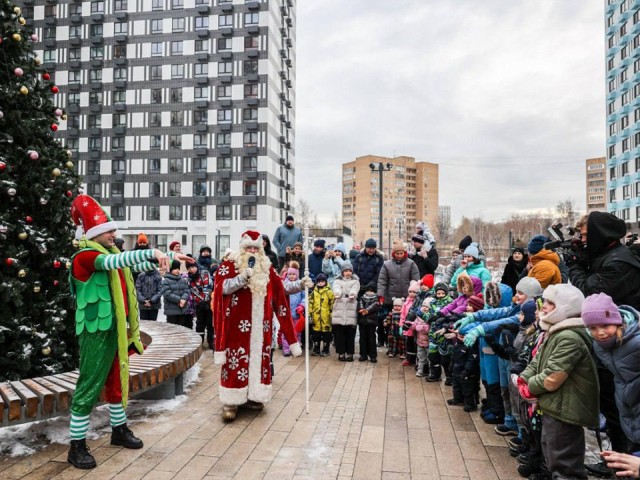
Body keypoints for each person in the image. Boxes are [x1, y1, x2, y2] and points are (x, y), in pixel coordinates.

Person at [67, 195, 174, 469]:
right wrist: (152, 252)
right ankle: (76, 446)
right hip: (96, 330)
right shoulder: (86, 256)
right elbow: (117, 263)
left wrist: (171, 257)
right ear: (95, 234)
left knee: (117, 381)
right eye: (109, 230)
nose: (114, 233)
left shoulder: (112, 254)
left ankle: (118, 430)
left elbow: (133, 264)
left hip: (117, 329)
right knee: (89, 385)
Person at [567, 211, 640, 477]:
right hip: (611, 342)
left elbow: (590, 291)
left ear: (600, 235)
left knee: (624, 408)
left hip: (625, 345)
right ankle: (619, 461)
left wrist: (574, 266)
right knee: (613, 406)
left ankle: (626, 462)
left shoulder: (621, 263)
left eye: (585, 235)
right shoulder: (606, 256)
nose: (582, 240)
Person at [212, 230, 301, 422]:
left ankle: (254, 396)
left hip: (262, 327)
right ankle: (231, 401)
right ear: (242, 248)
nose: (252, 250)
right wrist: (241, 278)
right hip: (237, 326)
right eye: (249, 247)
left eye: (256, 247)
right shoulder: (230, 264)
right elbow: (221, 288)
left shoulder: (267, 268)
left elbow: (281, 291)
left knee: (259, 360)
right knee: (235, 361)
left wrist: (301, 284)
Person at [519, 284, 599, 480]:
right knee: (554, 457)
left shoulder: (568, 337)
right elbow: (538, 362)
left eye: (550, 302)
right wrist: (524, 376)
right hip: (556, 405)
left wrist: (529, 386)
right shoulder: (557, 331)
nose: (544, 306)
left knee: (565, 465)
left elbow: (552, 377)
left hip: (566, 409)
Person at [582, 293, 640, 455]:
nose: (599, 332)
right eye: (592, 328)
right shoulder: (601, 345)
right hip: (626, 403)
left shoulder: (635, 341)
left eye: (605, 326)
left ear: (616, 321)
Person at [377, 240, 420, 346]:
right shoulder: (387, 264)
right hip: (391, 298)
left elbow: (415, 280)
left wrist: (415, 294)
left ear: (404, 253)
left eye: (401, 253)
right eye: (397, 253)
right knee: (389, 322)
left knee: (405, 321)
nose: (399, 256)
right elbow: (382, 281)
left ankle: (405, 343)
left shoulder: (411, 264)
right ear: (393, 254)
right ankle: (388, 341)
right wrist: (381, 295)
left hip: (407, 298)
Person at [331, 262, 360, 362]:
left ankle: (350, 353)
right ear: (342, 272)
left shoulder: (355, 281)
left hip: (350, 307)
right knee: (339, 334)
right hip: (339, 307)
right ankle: (341, 352)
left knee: (350, 334)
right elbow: (336, 287)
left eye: (349, 271)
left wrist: (352, 294)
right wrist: (337, 293)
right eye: (346, 271)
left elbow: (355, 289)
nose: (348, 273)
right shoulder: (337, 281)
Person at [186, 262, 213, 348]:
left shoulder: (204, 273)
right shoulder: (189, 278)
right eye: (189, 268)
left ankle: (211, 341)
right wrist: (200, 301)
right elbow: (193, 291)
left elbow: (208, 285)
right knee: (200, 323)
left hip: (208, 302)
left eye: (193, 267)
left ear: (196, 266)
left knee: (210, 323)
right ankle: (200, 342)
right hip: (199, 303)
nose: (191, 269)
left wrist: (206, 299)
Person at [308, 273, 335, 356]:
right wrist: (310, 314)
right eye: (319, 281)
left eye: (322, 281)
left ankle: (326, 349)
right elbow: (310, 303)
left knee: (327, 335)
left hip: (326, 317)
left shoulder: (329, 292)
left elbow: (332, 303)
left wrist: (332, 314)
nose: (320, 283)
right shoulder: (314, 292)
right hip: (316, 317)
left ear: (326, 282)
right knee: (316, 334)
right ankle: (316, 348)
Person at [161, 260, 192, 328]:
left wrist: (184, 299)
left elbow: (187, 290)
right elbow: (167, 294)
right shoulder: (166, 281)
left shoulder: (182, 280)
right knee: (172, 328)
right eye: (175, 269)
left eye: (178, 269)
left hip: (182, 309)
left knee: (182, 328)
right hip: (171, 310)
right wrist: (179, 300)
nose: (177, 270)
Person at [357, 284, 380, 363]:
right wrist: (361, 309)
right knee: (362, 338)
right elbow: (360, 304)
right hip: (362, 321)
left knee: (372, 339)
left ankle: (373, 355)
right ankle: (363, 354)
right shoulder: (362, 297)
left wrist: (366, 310)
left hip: (371, 322)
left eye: (371, 290)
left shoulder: (376, 299)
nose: (369, 292)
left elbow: (374, 306)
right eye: (368, 290)